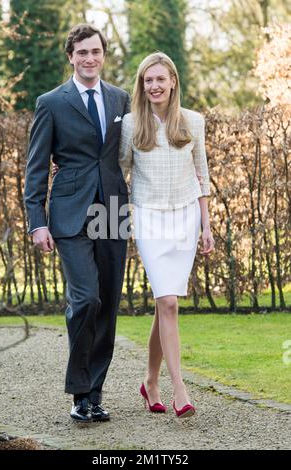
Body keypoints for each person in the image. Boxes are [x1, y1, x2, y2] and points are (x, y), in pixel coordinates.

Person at [24, 23, 130, 423]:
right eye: (82, 52)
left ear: (104, 55)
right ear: (70, 56)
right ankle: (77, 390)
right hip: (70, 213)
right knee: (85, 299)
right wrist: (37, 221)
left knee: (108, 305)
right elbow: (35, 168)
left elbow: (137, 150)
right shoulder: (51, 102)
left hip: (113, 211)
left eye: (96, 52)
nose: (90, 59)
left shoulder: (121, 99)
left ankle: (94, 395)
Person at [119, 52, 214, 418]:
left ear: (173, 81)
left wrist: (206, 225)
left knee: (166, 302)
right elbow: (118, 173)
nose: (154, 86)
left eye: (160, 79)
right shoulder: (131, 125)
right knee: (169, 302)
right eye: (148, 80)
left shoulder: (193, 121)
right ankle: (180, 389)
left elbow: (202, 173)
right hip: (148, 218)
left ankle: (150, 381)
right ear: (142, 86)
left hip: (186, 217)